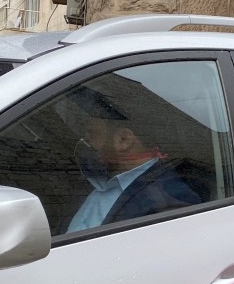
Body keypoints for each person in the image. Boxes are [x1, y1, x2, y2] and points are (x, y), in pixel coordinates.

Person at [65, 86, 203, 233]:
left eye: (92, 134)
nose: (86, 142)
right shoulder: (103, 181)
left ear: (123, 140)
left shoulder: (169, 200)